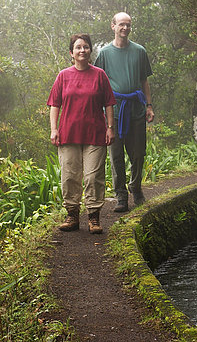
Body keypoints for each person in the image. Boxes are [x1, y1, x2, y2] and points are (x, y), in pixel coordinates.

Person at [47, 33, 116, 233]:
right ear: (72, 52)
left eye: (85, 47)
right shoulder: (63, 76)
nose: (82, 50)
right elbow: (54, 104)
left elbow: (109, 103)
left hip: (96, 134)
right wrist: (54, 129)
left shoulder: (99, 75)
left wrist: (110, 128)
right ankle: (72, 215)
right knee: (69, 176)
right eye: (78, 47)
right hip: (68, 134)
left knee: (93, 177)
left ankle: (94, 217)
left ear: (90, 50)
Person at [94, 12, 154, 212]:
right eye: (121, 25)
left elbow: (144, 80)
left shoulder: (139, 51)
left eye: (128, 25)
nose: (125, 28)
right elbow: (98, 83)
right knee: (116, 156)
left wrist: (149, 105)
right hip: (114, 112)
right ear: (113, 26)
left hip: (136, 109)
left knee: (138, 153)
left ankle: (135, 188)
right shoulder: (104, 54)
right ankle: (120, 195)